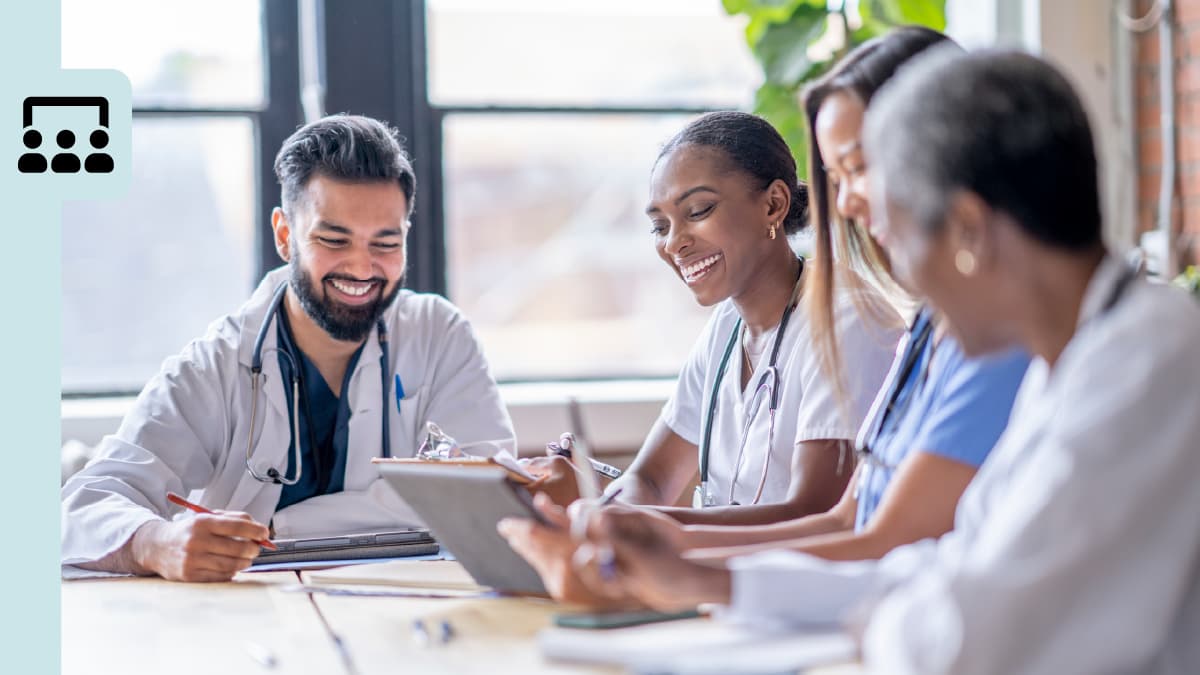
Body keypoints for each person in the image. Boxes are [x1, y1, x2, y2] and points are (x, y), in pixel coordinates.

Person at [575, 50, 1200, 673]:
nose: (907, 297)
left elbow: (966, 634)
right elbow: (935, 570)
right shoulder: (1068, 359)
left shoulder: (1144, 369)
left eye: (897, 236)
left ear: (967, 232)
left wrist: (705, 571)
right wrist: (697, 577)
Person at [504, 28, 1028, 597]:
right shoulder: (935, 331)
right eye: (659, 226)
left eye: (698, 210)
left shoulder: (940, 333)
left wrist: (675, 561)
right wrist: (625, 530)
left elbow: (853, 526)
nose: (848, 203)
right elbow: (847, 522)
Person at [61, 115, 515, 582]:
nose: (362, 267)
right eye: (333, 240)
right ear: (284, 235)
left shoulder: (440, 337)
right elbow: (86, 502)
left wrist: (278, 527)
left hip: (404, 612)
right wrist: (157, 544)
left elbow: (487, 503)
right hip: (246, 620)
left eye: (386, 242)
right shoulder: (216, 365)